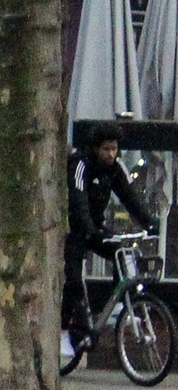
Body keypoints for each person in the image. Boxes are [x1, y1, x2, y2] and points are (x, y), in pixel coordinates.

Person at [65, 131, 158, 360]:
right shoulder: (81, 165)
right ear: (96, 149)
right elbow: (78, 200)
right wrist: (88, 229)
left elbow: (129, 197)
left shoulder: (114, 170)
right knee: (74, 280)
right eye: (106, 149)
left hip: (95, 226)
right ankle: (63, 329)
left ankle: (117, 308)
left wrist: (149, 222)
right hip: (73, 228)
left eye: (114, 149)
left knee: (121, 253)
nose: (111, 154)